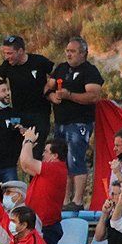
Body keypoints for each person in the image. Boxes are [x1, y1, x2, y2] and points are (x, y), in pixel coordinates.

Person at [47, 37, 105, 211]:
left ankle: (78, 200)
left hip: (79, 122)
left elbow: (94, 95)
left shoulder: (90, 71)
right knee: (61, 160)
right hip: (60, 122)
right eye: (67, 50)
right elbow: (47, 87)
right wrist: (52, 97)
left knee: (76, 160)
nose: (68, 54)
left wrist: (69, 95)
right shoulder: (61, 68)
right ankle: (65, 200)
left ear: (83, 53)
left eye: (72, 51)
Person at [19, 128, 67, 244]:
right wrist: (27, 143)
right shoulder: (51, 169)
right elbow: (24, 164)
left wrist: (29, 141)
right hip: (41, 225)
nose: (44, 155)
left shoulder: (55, 169)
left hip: (46, 226)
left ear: (55, 156)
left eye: (46, 152)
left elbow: (26, 160)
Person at [0, 35, 54, 145]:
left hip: (40, 115)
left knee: (36, 148)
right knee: (15, 145)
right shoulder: (7, 65)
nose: (6, 57)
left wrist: (49, 87)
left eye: (9, 53)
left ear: (20, 51)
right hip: (17, 114)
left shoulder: (38, 61)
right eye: (5, 53)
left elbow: (57, 74)